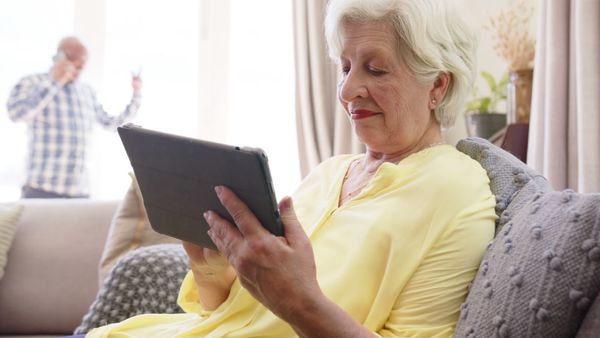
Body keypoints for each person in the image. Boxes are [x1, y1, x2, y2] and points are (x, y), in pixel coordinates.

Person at [87, 0, 495, 336]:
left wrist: (298, 301)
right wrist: (215, 271)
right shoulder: (329, 173)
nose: (348, 90)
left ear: (437, 86)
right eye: (346, 66)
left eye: (376, 69)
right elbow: (231, 314)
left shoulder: (457, 192)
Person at [6, 36, 142, 198]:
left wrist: (136, 94)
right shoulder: (33, 82)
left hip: (80, 193)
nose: (80, 65)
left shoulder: (87, 92)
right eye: (74, 59)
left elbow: (112, 124)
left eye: (83, 61)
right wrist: (56, 81)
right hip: (40, 190)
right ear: (59, 57)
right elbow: (17, 114)